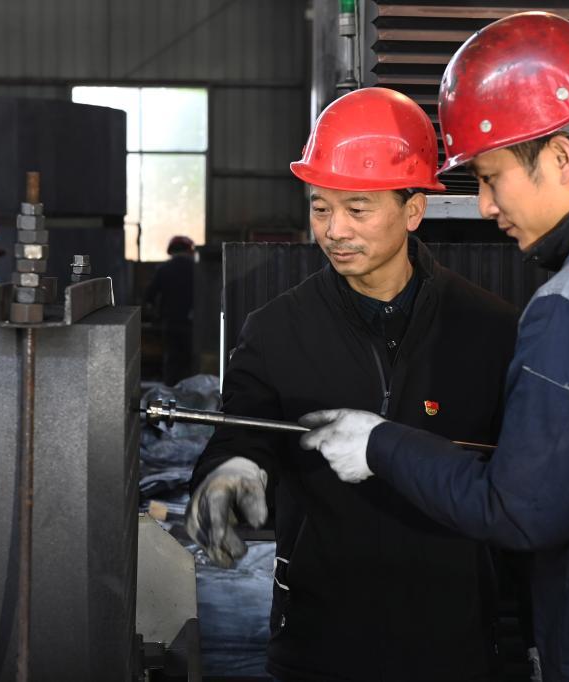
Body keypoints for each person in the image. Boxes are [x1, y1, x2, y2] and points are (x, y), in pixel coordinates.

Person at [299, 12, 569, 682]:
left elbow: (520, 510)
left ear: (561, 157)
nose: (483, 205)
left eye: (489, 176)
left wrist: (379, 445)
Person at [186, 87, 521, 681]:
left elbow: (521, 484)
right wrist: (230, 471)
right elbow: (241, 433)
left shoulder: (488, 329)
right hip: (319, 639)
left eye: (357, 209)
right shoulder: (276, 330)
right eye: (321, 209)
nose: (334, 230)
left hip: (453, 638)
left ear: (412, 210)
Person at [145, 235, 196, 385]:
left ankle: (170, 391)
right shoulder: (197, 269)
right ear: (189, 250)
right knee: (190, 361)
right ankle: (189, 391)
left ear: (171, 250)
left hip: (170, 323)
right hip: (192, 323)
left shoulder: (163, 269)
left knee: (172, 360)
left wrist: (155, 313)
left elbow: (149, 296)